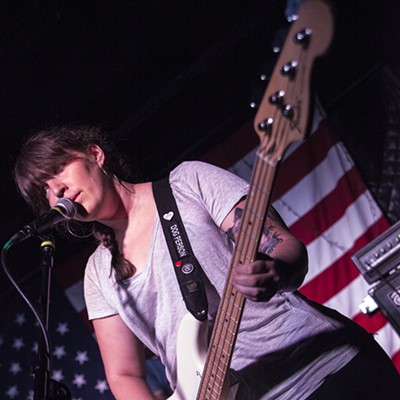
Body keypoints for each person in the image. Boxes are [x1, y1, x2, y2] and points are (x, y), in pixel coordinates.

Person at [13, 125, 400, 399]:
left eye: (57, 171)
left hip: (319, 370)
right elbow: (124, 374)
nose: (56, 191)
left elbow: (285, 246)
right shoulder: (99, 273)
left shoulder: (187, 184)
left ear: (95, 154)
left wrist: (277, 272)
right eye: (44, 191)